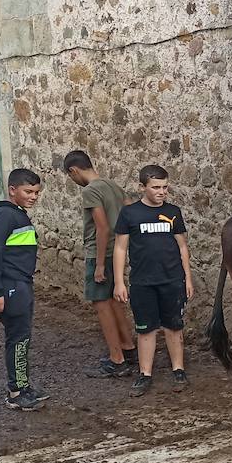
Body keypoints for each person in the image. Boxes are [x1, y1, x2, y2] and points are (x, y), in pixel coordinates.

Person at [114, 165, 194, 397]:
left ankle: (178, 370)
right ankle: (145, 373)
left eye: (165, 187)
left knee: (174, 325)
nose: (162, 192)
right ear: (142, 187)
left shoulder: (173, 212)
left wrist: (187, 278)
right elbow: (120, 248)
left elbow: (182, 246)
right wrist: (119, 282)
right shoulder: (130, 214)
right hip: (142, 281)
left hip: (172, 279)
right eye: (156, 187)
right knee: (146, 328)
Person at [63, 150, 137, 378]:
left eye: (70, 176)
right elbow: (130, 208)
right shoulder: (112, 185)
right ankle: (128, 347)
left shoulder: (90, 191)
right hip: (118, 250)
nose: (73, 181)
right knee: (115, 301)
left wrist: (99, 266)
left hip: (100, 253)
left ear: (74, 170)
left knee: (101, 304)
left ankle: (117, 360)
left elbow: (102, 228)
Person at [0, 169, 48, 411]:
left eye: (36, 192)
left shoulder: (18, 215)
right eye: (28, 192)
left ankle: (23, 385)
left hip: (21, 284)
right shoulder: (4, 217)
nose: (33, 197)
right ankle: (16, 392)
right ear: (12, 190)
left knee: (23, 336)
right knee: (18, 339)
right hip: (11, 287)